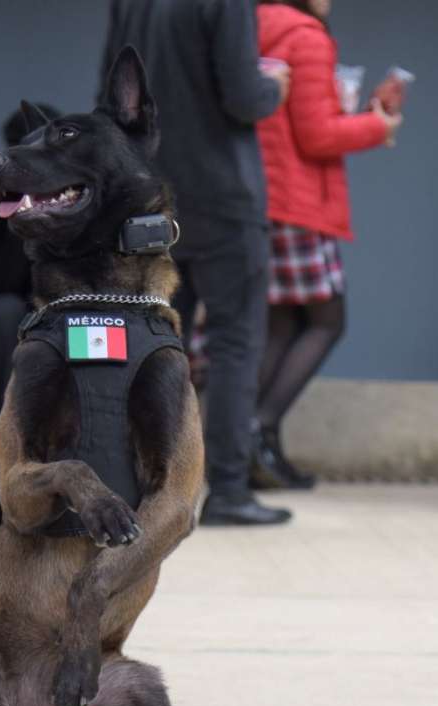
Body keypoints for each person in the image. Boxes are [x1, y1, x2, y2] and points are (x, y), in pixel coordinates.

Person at [100, 0, 292, 526]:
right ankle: (228, 489)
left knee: (148, 342)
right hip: (223, 196)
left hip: (149, 194)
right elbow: (244, 97)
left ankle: (137, 484)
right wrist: (275, 85)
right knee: (235, 343)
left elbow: (113, 98)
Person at [252, 0, 401, 490]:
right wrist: (379, 126)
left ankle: (256, 445)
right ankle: (259, 430)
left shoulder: (252, 25)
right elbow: (316, 135)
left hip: (262, 196)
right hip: (298, 202)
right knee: (326, 319)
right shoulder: (307, 36)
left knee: (280, 324)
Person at [0, 103, 60, 479]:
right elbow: (0, 279)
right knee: (0, 314)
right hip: (15, 305)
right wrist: (21, 214)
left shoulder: (75, 197)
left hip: (63, 303)